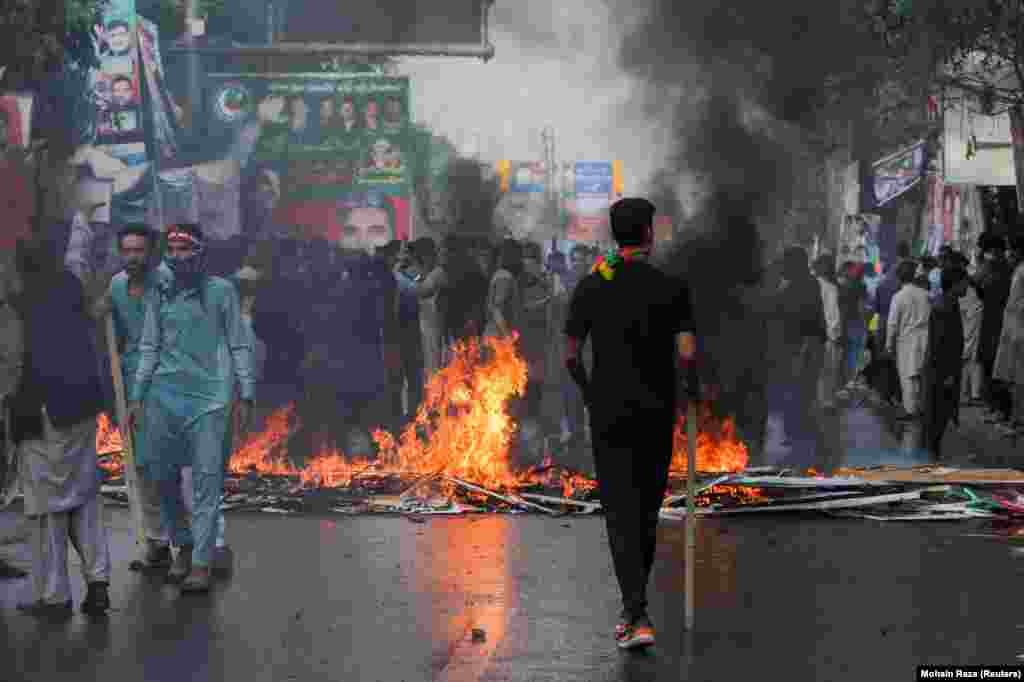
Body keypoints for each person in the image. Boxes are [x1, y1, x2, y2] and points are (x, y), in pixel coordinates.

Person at [564, 198, 696, 650]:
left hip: (610, 413)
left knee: (619, 511)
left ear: (614, 234)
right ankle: (636, 609)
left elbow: (569, 355)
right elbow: (686, 354)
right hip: (655, 412)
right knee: (645, 511)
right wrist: (688, 389)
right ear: (649, 234)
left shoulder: (592, 285)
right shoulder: (672, 287)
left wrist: (590, 393)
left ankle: (635, 611)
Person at [129, 224, 255, 593]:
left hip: (211, 399)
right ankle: (181, 546)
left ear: (200, 252)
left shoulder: (222, 291)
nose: (177, 255)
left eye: (185, 248)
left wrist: (245, 393)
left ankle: (201, 561)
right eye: (171, 248)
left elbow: (239, 343)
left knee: (206, 481)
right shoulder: (158, 291)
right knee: (163, 477)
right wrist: (137, 396)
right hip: (163, 397)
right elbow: (149, 346)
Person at [9, 237, 110, 617]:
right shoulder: (70, 288)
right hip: (81, 407)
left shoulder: (23, 305)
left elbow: (17, 365)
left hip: (43, 412)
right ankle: (98, 581)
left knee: (47, 507)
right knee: (83, 498)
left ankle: (54, 595)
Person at [923, 265, 967, 460]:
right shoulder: (945, 307)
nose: (967, 285)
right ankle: (932, 454)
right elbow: (940, 344)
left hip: (945, 370)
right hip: (942, 371)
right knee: (938, 412)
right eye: (964, 282)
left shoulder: (950, 303)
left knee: (940, 412)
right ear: (955, 284)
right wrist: (947, 374)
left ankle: (933, 452)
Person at [975, 234, 1014, 424]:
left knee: (996, 367)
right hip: (991, 321)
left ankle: (999, 408)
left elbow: (978, 284)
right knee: (989, 365)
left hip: (998, 323)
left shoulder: (1000, 269)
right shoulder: (999, 268)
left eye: (985, 250)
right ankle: (993, 406)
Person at [886, 260, 931, 418]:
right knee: (922, 375)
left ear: (899, 277)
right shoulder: (926, 295)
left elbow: (892, 324)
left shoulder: (898, 297)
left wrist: (889, 345)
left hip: (906, 340)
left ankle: (911, 409)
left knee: (908, 375)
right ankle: (922, 407)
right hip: (926, 338)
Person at [991, 234, 1024, 437]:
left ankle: (1018, 423)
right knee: (1013, 379)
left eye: (1012, 249)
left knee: (1018, 379)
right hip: (1014, 329)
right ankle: (1015, 420)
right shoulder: (1018, 270)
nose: (1009, 253)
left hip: (1019, 331)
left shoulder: (1022, 271)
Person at [813, 254, 842, 411]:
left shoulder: (810, 284)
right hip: (826, 335)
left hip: (810, 334)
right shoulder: (831, 288)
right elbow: (833, 315)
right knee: (827, 370)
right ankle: (825, 401)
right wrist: (835, 335)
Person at [837, 261, 869, 396]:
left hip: (844, 321)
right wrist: (865, 324)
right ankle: (850, 381)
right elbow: (861, 307)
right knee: (855, 351)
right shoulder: (861, 286)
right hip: (856, 322)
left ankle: (843, 382)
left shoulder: (844, 285)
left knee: (846, 351)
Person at [960, 266, 985, 406]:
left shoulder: (964, 293)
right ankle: (974, 394)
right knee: (975, 363)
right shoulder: (974, 292)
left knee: (966, 363)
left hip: (968, 332)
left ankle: (965, 395)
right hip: (974, 331)